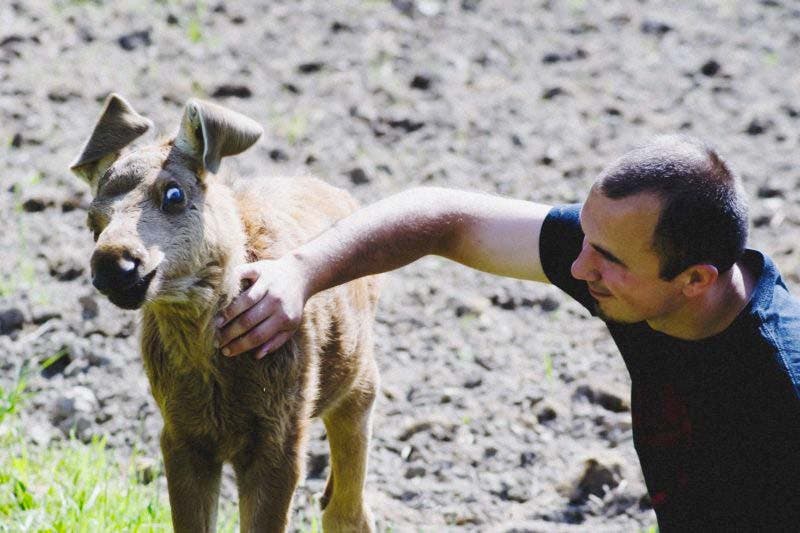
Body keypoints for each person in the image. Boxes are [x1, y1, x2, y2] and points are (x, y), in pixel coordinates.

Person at [214, 134, 800, 530]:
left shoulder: (778, 389)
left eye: (607, 258)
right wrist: (301, 272)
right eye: (585, 238)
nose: (576, 268)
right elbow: (445, 215)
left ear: (695, 279)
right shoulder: (639, 281)